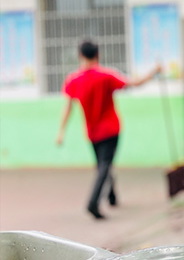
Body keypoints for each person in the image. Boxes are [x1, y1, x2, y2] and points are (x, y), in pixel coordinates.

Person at [56, 40, 161, 219]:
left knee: (103, 165)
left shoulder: (73, 80)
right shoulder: (106, 76)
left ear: (80, 55)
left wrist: (61, 131)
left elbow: (67, 107)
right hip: (111, 130)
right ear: (98, 55)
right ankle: (93, 202)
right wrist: (154, 72)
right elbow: (134, 83)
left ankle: (112, 196)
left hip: (92, 132)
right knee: (104, 166)